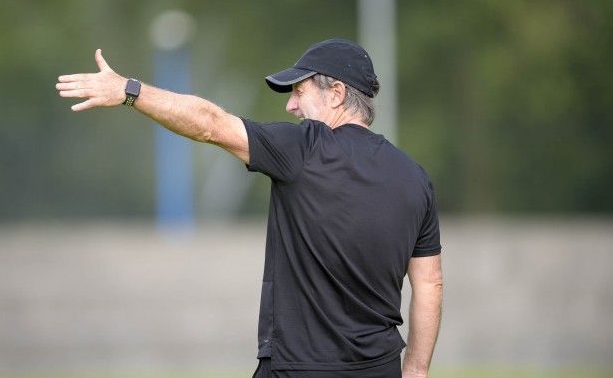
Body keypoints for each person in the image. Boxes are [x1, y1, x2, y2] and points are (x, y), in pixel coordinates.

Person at [56, 39, 443, 378]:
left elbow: (210, 124)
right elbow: (429, 283)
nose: (291, 105)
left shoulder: (305, 149)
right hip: (380, 369)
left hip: (299, 368)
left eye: (299, 91)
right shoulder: (415, 178)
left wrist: (129, 90)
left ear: (337, 92)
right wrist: (416, 368)